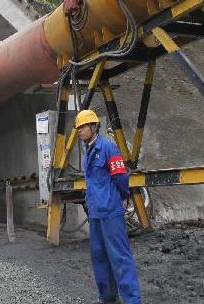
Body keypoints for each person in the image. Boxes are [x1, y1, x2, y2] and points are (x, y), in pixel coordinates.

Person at [76, 109, 142, 304]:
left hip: (111, 212)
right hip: (96, 212)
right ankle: (108, 297)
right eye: (78, 127)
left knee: (120, 257)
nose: (79, 131)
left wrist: (119, 197)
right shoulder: (88, 151)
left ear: (93, 127)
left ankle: (132, 300)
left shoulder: (108, 148)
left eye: (82, 127)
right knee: (99, 257)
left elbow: (121, 177)